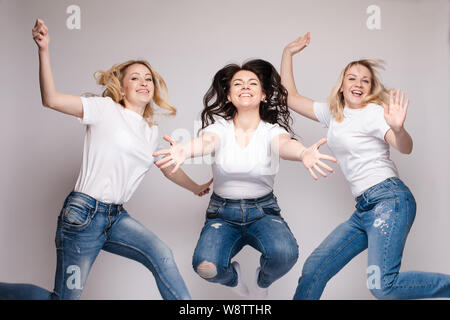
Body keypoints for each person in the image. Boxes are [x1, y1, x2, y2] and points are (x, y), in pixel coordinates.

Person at [0, 19, 212, 300]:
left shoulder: (151, 131)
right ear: (122, 88)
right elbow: (50, 99)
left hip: (115, 217)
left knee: (161, 254)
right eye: (135, 77)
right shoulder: (104, 109)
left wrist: (196, 187)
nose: (144, 82)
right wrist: (44, 50)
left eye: (148, 78)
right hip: (82, 215)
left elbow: (168, 169)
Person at [281, 32, 450, 299]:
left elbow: (405, 147)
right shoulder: (333, 114)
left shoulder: (373, 114)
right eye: (352, 78)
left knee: (382, 287)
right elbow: (289, 97)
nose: (358, 83)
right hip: (364, 210)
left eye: (365, 80)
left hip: (389, 200)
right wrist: (288, 53)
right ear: (341, 85)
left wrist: (399, 128)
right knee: (315, 268)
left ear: (370, 89)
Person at [153, 59, 337, 299]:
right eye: (237, 84)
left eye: (252, 83)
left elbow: (283, 145)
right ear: (229, 96)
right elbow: (207, 142)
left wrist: (303, 153)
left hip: (263, 211)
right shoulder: (219, 128)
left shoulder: (271, 131)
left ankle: (262, 282)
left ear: (263, 95)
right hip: (222, 213)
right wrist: (185, 150)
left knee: (285, 255)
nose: (245, 87)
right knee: (206, 266)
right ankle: (235, 280)